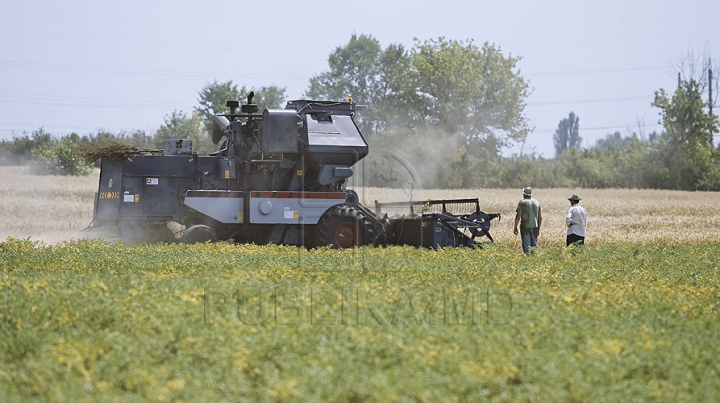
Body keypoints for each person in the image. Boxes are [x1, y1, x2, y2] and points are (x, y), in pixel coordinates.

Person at [514, 187, 542, 254]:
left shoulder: (522, 202)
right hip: (535, 226)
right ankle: (535, 260)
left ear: (524, 194)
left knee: (527, 246)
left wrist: (515, 227)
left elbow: (518, 216)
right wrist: (538, 228)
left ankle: (528, 259)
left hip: (525, 226)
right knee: (534, 245)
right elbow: (540, 217)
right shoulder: (537, 202)